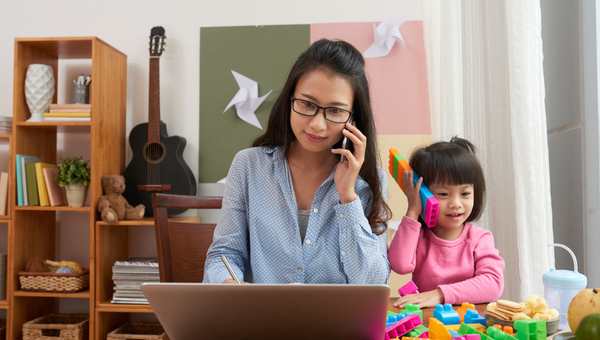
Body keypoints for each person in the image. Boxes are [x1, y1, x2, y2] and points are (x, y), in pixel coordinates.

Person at [203, 39, 392, 284]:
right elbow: (224, 255)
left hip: (335, 322)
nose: (317, 124)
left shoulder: (369, 181)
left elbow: (374, 283)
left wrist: (347, 197)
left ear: (354, 118)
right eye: (307, 104)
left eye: (335, 110)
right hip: (262, 319)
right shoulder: (248, 166)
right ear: (289, 99)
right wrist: (230, 287)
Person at [388, 137, 504, 307]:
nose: (456, 203)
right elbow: (400, 265)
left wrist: (440, 295)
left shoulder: (479, 238)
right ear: (422, 193)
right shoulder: (417, 236)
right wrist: (413, 210)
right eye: (443, 194)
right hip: (429, 323)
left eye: (465, 194)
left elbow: (493, 284)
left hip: (469, 324)